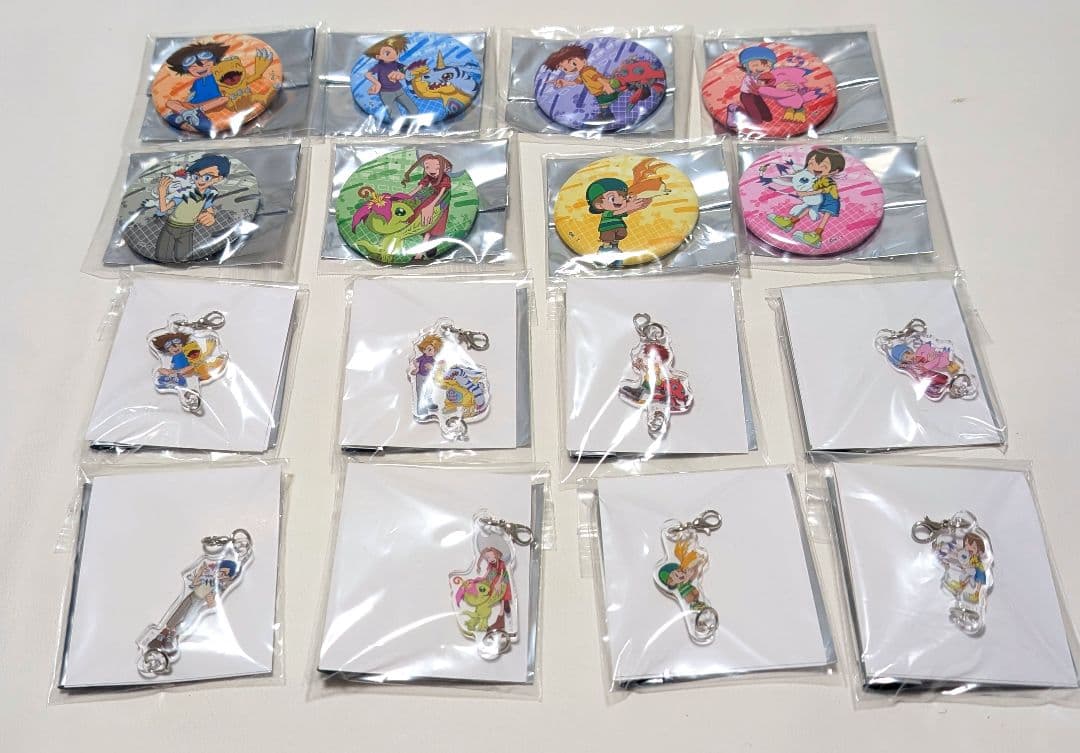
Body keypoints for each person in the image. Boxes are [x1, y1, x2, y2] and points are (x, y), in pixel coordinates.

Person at [152, 154, 231, 263]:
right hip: (170, 228)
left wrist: (211, 216)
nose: (200, 181)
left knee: (183, 257)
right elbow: (163, 209)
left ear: (219, 178)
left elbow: (209, 209)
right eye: (196, 177)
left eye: (207, 177)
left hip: (188, 230)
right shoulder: (184, 193)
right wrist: (162, 191)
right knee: (162, 256)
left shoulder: (209, 194)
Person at [768, 147, 845, 248]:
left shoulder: (828, 181)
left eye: (823, 166)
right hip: (818, 198)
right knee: (808, 207)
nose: (815, 167)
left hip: (830, 201)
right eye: (811, 164)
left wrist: (806, 194)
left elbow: (822, 190)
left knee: (825, 217)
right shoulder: (814, 177)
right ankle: (790, 222)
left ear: (834, 171)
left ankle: (816, 236)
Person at [162, 41, 230, 132]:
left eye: (206, 63)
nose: (200, 67)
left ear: (214, 61)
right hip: (193, 105)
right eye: (192, 67)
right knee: (170, 103)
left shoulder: (217, 75)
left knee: (224, 99)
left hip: (211, 103)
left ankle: (193, 114)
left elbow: (225, 89)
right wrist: (185, 105)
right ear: (187, 70)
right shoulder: (197, 82)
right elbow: (192, 95)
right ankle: (185, 113)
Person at [542, 43, 619, 121]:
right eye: (565, 69)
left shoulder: (587, 71)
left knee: (604, 104)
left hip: (603, 90)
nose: (571, 68)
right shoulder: (582, 73)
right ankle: (606, 115)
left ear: (584, 61)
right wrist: (565, 83)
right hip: (599, 92)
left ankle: (607, 116)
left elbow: (598, 78)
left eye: (574, 63)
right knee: (603, 104)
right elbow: (577, 82)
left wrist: (606, 85)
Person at [364, 35, 420, 120]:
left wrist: (404, 74)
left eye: (396, 51)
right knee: (395, 116)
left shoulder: (395, 64)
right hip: (386, 93)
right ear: (378, 57)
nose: (394, 54)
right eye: (387, 53)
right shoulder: (379, 66)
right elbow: (367, 74)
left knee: (414, 110)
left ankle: (409, 124)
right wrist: (377, 83)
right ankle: (401, 126)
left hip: (399, 90)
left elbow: (407, 70)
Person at [586, 177, 651, 250]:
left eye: (623, 197)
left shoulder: (620, 210)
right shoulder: (607, 212)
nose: (620, 200)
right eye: (612, 198)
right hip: (607, 228)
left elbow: (625, 212)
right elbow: (616, 213)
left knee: (622, 234)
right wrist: (628, 207)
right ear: (599, 205)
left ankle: (615, 246)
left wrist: (639, 206)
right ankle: (605, 248)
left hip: (619, 227)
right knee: (608, 238)